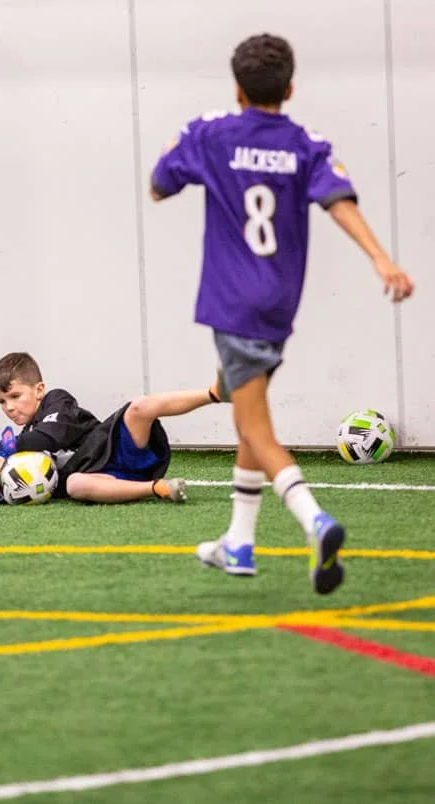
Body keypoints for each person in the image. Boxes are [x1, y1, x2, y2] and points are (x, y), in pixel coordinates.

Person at [149, 34, 414, 594]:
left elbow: (159, 186)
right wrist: (381, 258)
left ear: (237, 89)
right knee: (249, 409)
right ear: (289, 88)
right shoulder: (305, 143)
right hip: (278, 303)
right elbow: (339, 200)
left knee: (252, 424)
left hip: (231, 301)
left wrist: (182, 149)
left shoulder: (211, 132)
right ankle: (239, 544)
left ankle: (314, 521)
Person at [0, 351, 221, 505]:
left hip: (115, 448)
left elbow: (50, 437)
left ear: (39, 390)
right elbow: (42, 483)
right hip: (106, 479)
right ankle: (156, 488)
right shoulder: (27, 440)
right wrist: (6, 489)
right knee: (76, 484)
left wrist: (6, 447)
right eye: (2, 402)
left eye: (15, 396)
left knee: (139, 407)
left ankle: (214, 393)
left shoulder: (57, 401)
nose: (9, 407)